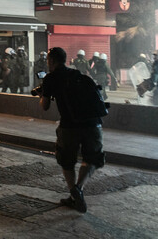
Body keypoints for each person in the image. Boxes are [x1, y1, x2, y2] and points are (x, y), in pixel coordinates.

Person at [38, 47, 105, 213]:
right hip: (93, 124)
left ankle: (75, 194)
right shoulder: (77, 75)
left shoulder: (51, 78)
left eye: (48, 61)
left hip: (70, 126)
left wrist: (42, 95)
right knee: (92, 158)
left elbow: (45, 106)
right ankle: (79, 188)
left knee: (67, 160)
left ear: (52, 61)